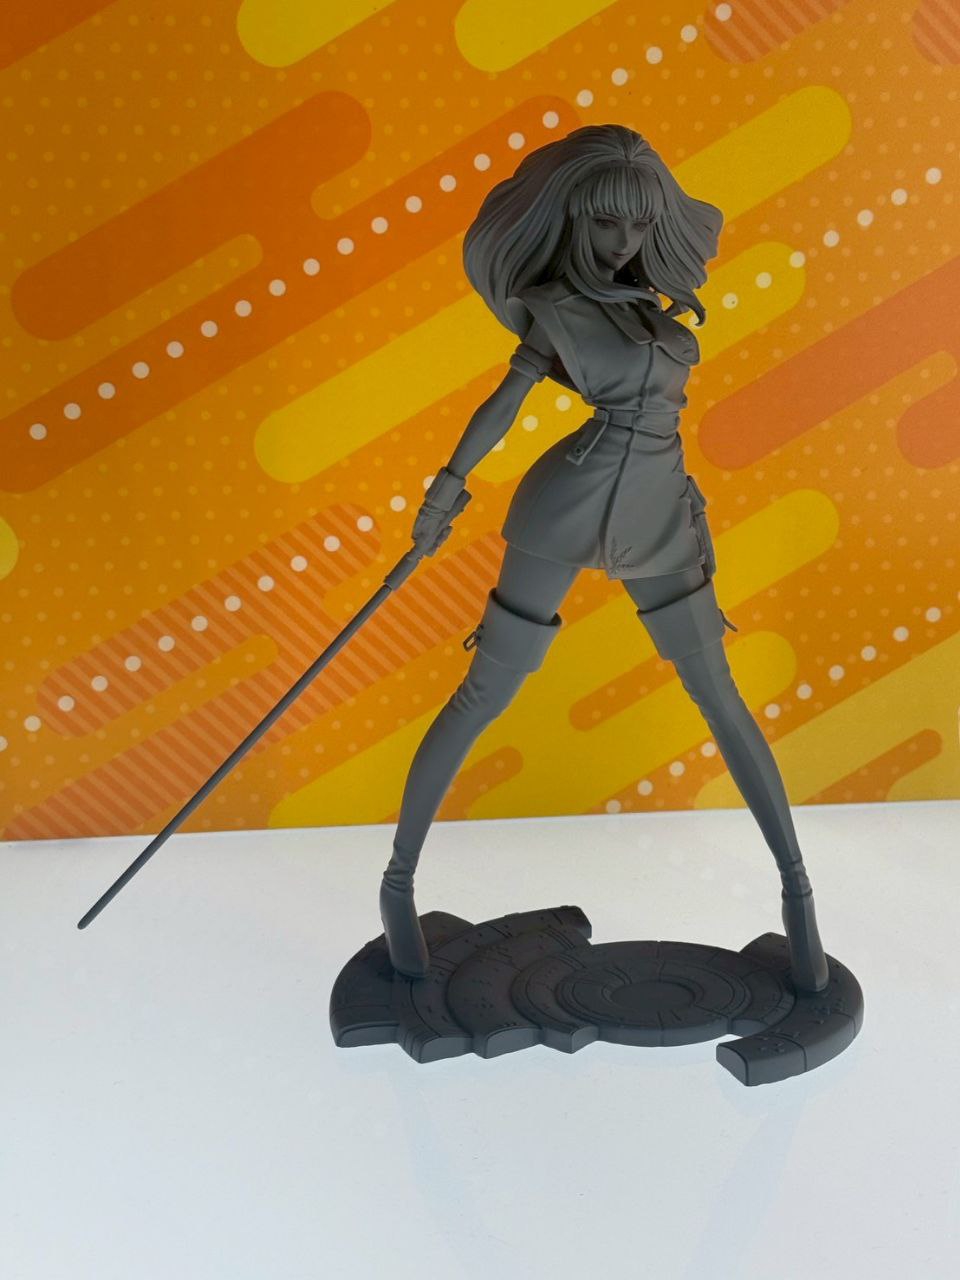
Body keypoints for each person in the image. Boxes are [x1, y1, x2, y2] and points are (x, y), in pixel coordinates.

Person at [378, 124, 830, 994]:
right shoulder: (556, 309)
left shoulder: (655, 315)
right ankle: (399, 882)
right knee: (485, 692)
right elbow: (502, 404)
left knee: (720, 697)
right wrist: (444, 493)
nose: (622, 242)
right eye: (605, 223)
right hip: (565, 505)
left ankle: (799, 894)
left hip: (660, 511)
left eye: (637, 225)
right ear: (573, 219)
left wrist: (692, 521)